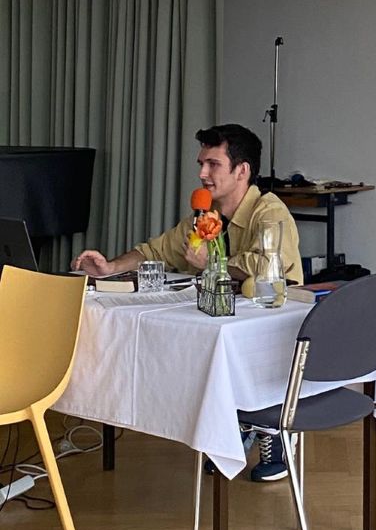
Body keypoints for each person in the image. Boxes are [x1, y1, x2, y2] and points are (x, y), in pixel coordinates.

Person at [73, 123, 301, 482]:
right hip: (221, 317)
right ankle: (233, 426)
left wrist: (214, 263)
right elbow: (157, 250)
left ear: (242, 171)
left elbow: (268, 266)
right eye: (201, 164)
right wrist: (111, 267)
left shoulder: (269, 212)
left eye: (213, 164)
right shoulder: (205, 215)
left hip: (270, 323)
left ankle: (271, 427)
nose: (202, 174)